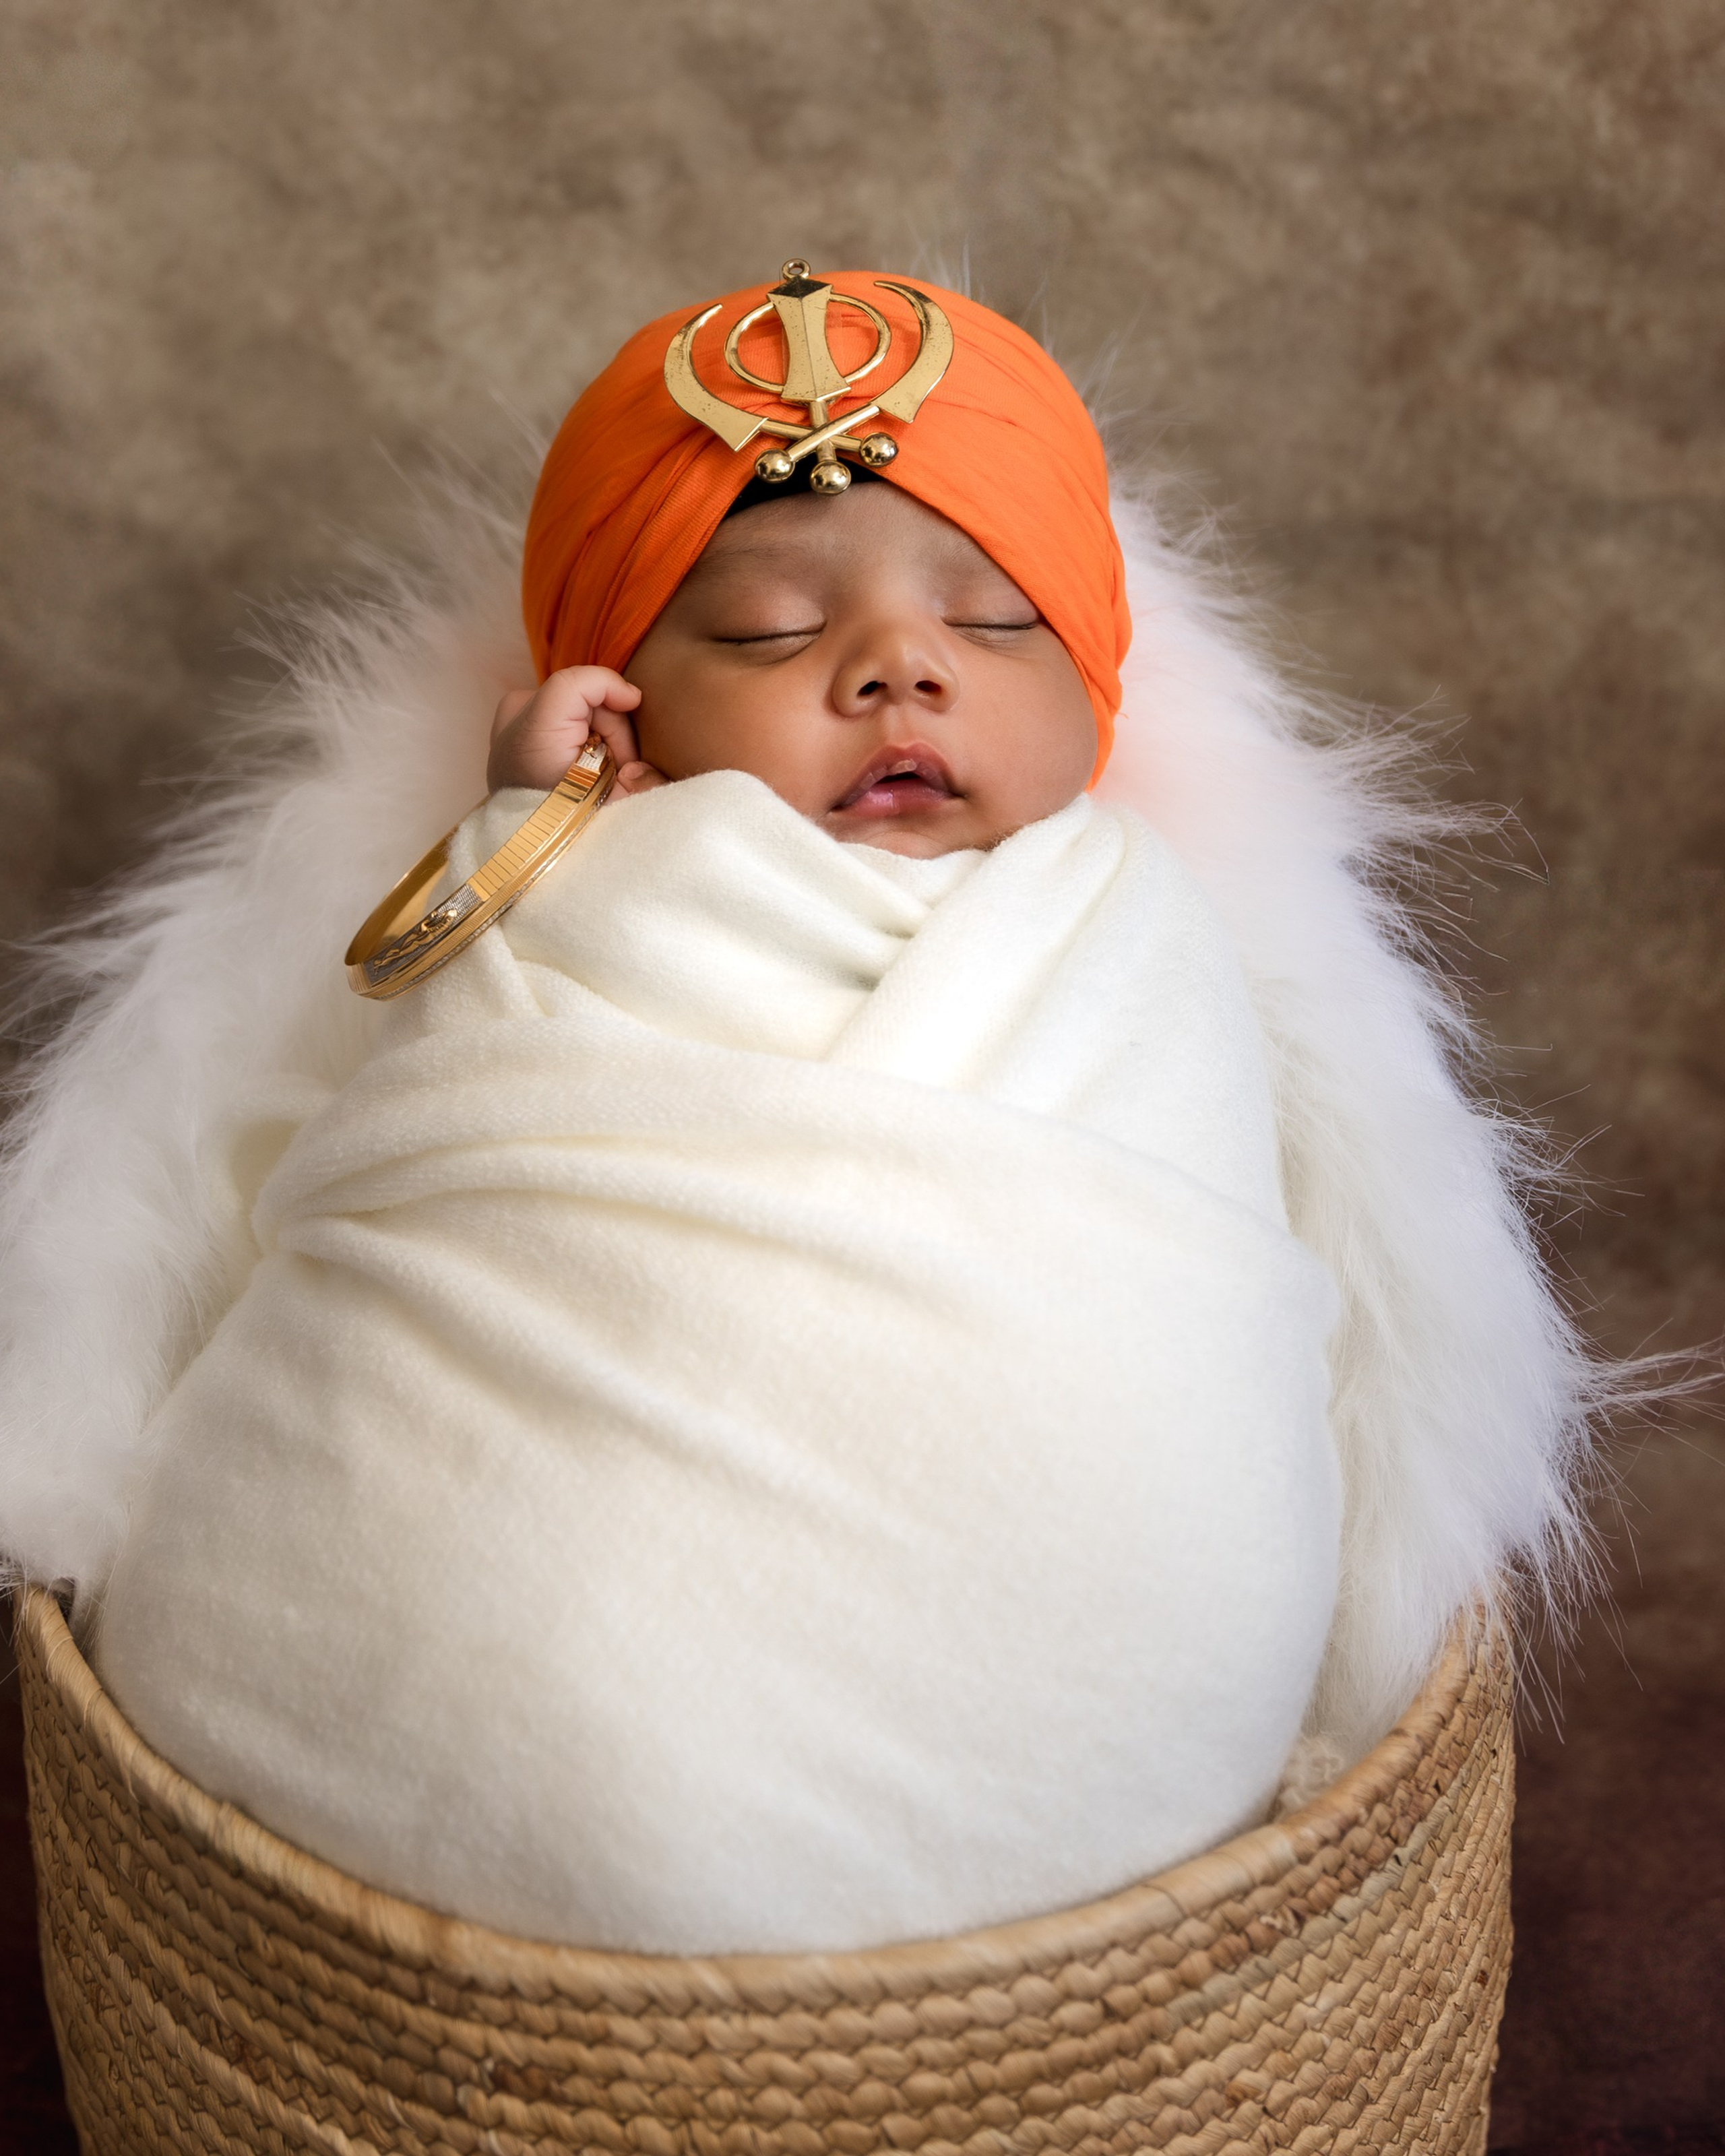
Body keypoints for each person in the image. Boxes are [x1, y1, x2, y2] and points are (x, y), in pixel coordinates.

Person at [4, 268, 1597, 1957]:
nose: (895, 674)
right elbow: (443, 1056)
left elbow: (1197, 1260)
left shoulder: (1132, 921)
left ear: (1094, 691)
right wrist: (525, 829)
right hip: (513, 1576)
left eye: (988, 624)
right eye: (769, 631)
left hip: (1068, 1593)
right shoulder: (613, 865)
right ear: (630, 716)